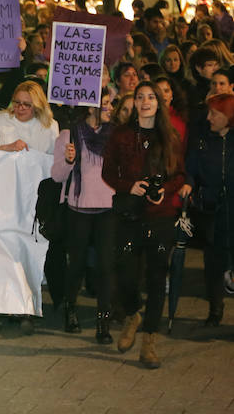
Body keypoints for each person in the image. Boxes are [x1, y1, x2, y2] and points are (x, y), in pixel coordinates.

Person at [102, 81, 184, 369]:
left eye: (151, 97)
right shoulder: (121, 135)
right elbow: (108, 172)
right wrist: (129, 186)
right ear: (134, 102)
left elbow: (180, 174)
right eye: (140, 97)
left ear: (159, 103)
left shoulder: (170, 136)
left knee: (156, 275)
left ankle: (149, 338)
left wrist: (167, 190)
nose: (145, 101)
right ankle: (132, 314)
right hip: (129, 214)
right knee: (125, 271)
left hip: (160, 216)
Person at [51, 90, 115, 343]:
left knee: (106, 267)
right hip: (78, 209)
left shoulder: (114, 135)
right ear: (91, 107)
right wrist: (68, 161)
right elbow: (56, 176)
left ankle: (104, 322)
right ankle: (71, 309)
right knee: (75, 264)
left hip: (108, 209)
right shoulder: (69, 135)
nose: (110, 108)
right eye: (106, 103)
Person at [181, 94, 234, 327]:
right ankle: (215, 307)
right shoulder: (202, 140)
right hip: (213, 209)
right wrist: (188, 184)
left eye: (215, 113)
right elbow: (191, 168)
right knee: (213, 260)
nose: (209, 117)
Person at [0, 81, 59, 154]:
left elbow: (55, 159)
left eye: (27, 104)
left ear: (37, 105)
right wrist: (6, 147)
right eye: (17, 102)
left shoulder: (50, 126)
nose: (20, 108)